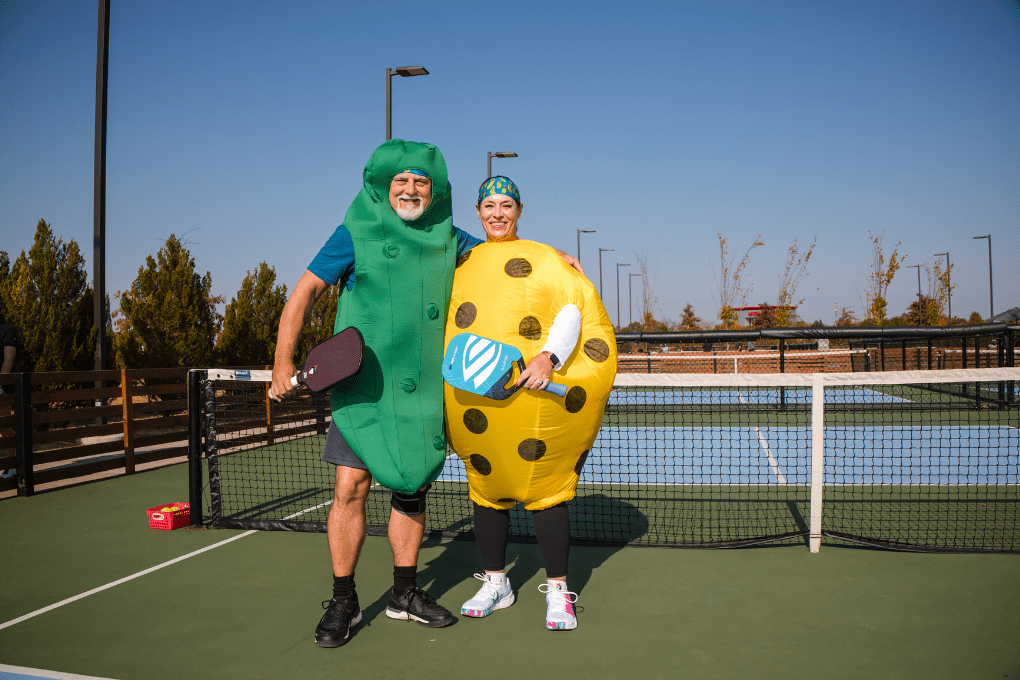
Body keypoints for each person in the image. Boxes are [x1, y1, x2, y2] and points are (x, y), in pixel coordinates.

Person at [270, 141, 584, 648]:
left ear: (434, 191)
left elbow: (501, 249)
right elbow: (303, 292)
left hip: (422, 391)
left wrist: (554, 258)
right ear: (383, 186)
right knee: (349, 488)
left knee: (411, 487)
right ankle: (344, 600)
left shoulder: (449, 238)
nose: (411, 189)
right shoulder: (354, 232)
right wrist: (283, 361)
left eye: (421, 182)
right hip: (363, 389)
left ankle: (405, 594)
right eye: (402, 181)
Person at [443, 177, 616, 631]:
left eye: (506, 205)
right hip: (477, 405)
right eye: (488, 206)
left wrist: (549, 356)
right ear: (477, 212)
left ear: (519, 210)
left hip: (535, 404)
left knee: (546, 494)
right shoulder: (462, 262)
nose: (497, 213)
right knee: (486, 491)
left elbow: (573, 308)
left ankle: (559, 591)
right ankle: (496, 581)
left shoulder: (543, 258)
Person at [0, 304, 17, 479]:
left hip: (2, 389)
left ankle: (13, 465)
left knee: (4, 426)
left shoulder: (7, 331)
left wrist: (0, 383)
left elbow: (9, 358)